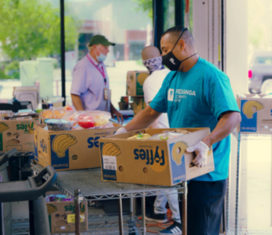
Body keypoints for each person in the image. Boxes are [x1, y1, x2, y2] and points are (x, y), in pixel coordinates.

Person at [116, 26, 241, 235]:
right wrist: (122, 131)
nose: (163, 56)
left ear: (182, 45)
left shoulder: (212, 76)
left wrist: (206, 143)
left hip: (207, 171)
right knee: (189, 228)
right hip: (183, 168)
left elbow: (232, 117)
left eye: (165, 50)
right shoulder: (172, 78)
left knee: (202, 229)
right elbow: (150, 112)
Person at [141, 45, 182, 234]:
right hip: (178, 128)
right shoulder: (171, 74)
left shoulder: (149, 81)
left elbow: (152, 112)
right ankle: (158, 210)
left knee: (167, 177)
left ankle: (179, 220)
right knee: (165, 174)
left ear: (144, 64)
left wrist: (147, 134)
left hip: (162, 132)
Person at [70, 34, 123, 122]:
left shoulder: (101, 65)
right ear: (94, 48)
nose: (108, 51)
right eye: (105, 47)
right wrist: (83, 119)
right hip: (90, 122)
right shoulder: (83, 67)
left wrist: (113, 109)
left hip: (102, 120)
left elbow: (103, 93)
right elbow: (75, 95)